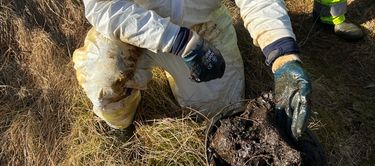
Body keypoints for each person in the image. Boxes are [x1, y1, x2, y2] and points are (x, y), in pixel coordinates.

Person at [73, 0, 312, 140]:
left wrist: (283, 56)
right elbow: (104, 7)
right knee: (103, 79)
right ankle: (122, 122)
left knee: (220, 112)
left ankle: (185, 77)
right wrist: (176, 41)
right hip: (135, 27)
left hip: (204, 27)